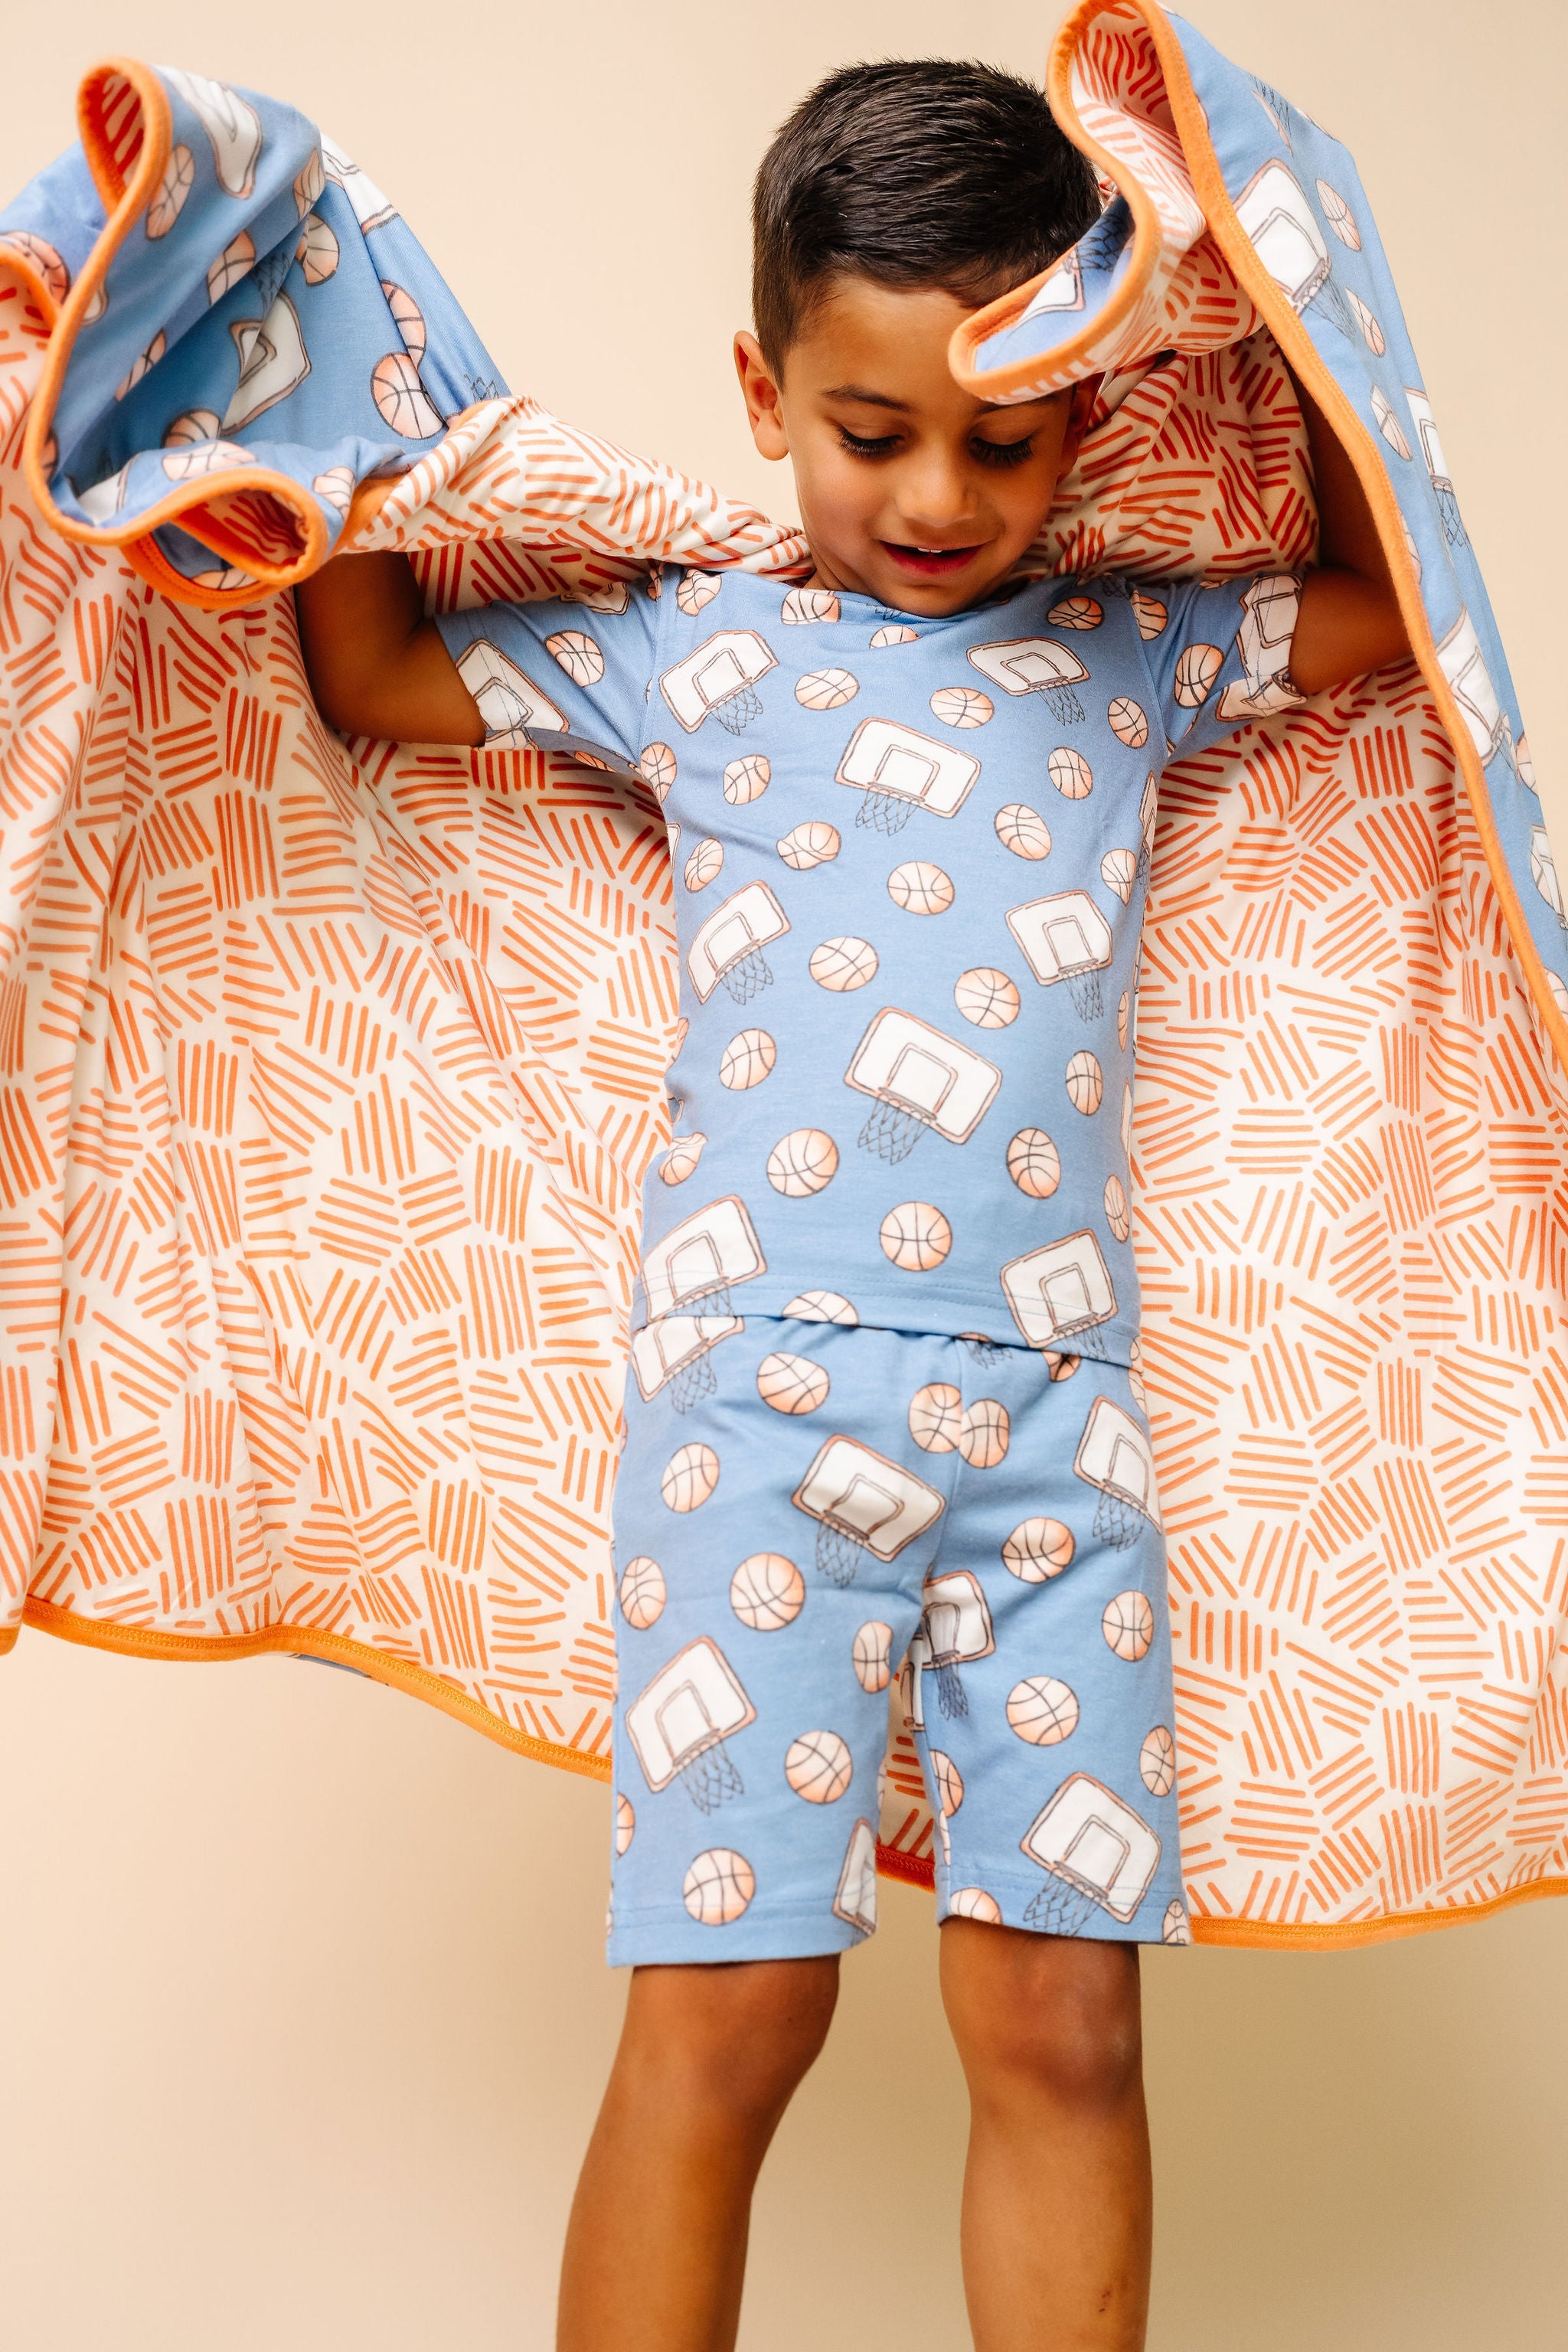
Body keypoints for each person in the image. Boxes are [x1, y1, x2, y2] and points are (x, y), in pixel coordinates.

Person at [295, 60, 1406, 2352]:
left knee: (1067, 2028)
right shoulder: (699, 648)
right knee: (731, 2017)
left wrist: (1256, 270)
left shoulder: (1136, 651)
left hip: (1059, 1435)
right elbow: (380, 671)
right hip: (757, 1416)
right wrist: (336, 407)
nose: (936, 495)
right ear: (764, 392)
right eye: (873, 431)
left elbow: (1391, 610)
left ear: (1085, 413)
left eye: (1005, 438)